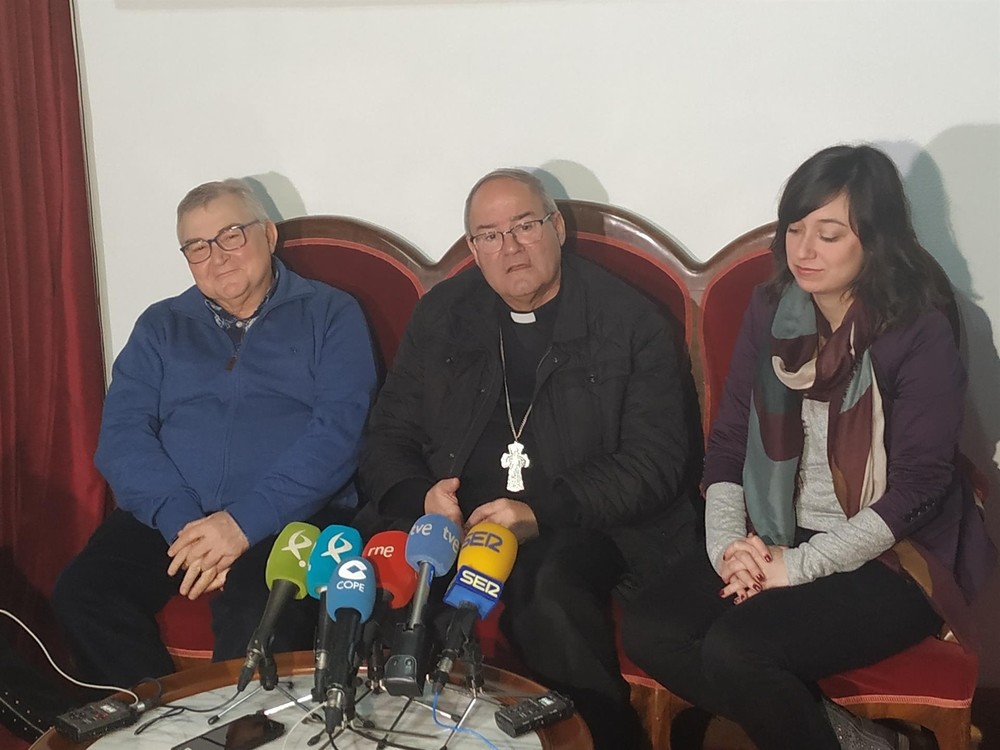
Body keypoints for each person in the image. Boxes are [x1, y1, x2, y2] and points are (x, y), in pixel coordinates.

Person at [622, 145, 996, 750]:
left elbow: (919, 491)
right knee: (650, 627)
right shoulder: (772, 309)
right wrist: (727, 552)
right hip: (774, 529)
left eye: (829, 233)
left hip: (894, 555)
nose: (804, 250)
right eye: (795, 230)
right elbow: (727, 443)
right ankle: (857, 742)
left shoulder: (917, 330)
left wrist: (795, 568)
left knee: (738, 648)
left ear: (873, 240)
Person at [357, 168, 701, 749]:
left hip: (588, 524)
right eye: (489, 235)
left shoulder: (628, 320)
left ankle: (601, 739)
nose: (510, 247)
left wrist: (538, 512)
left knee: (548, 587)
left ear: (557, 227)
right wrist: (424, 497)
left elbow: (657, 462)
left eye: (524, 226)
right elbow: (384, 435)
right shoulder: (443, 316)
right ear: (473, 249)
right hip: (455, 520)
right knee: (387, 582)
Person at [52, 179, 377, 687]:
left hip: (291, 514)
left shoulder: (331, 313)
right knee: (84, 591)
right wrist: (186, 526)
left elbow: (339, 434)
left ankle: (241, 735)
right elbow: (122, 436)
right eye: (197, 247)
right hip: (175, 514)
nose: (217, 256)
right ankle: (165, 725)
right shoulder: (160, 325)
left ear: (267, 234)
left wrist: (241, 524)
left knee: (259, 614)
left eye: (231, 235)